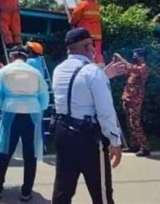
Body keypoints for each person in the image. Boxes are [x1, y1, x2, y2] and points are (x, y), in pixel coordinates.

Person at [51, 27, 122, 204]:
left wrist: (104, 75)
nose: (93, 50)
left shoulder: (58, 70)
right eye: (92, 46)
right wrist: (115, 140)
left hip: (62, 131)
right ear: (87, 46)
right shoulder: (92, 72)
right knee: (102, 194)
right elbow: (105, 111)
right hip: (87, 137)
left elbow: (77, 92)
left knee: (63, 189)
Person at [0, 46, 49, 201]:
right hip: (32, 112)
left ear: (11, 55)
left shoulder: (5, 70)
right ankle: (26, 191)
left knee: (5, 150)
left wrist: (5, 104)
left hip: (11, 110)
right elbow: (44, 95)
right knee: (31, 153)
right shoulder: (35, 72)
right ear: (26, 56)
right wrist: (38, 108)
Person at [115, 49, 150, 157]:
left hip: (135, 100)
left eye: (136, 56)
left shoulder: (143, 67)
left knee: (135, 124)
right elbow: (127, 70)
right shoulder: (135, 67)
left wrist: (121, 58)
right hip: (128, 98)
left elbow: (132, 68)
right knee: (130, 124)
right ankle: (134, 145)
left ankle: (145, 147)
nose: (134, 57)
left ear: (142, 57)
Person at [70, 0, 104, 65]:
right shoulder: (97, 5)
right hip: (97, 35)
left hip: (85, 34)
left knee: (84, 52)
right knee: (97, 53)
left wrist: (71, 22)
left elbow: (75, 16)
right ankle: (100, 66)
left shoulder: (82, 4)